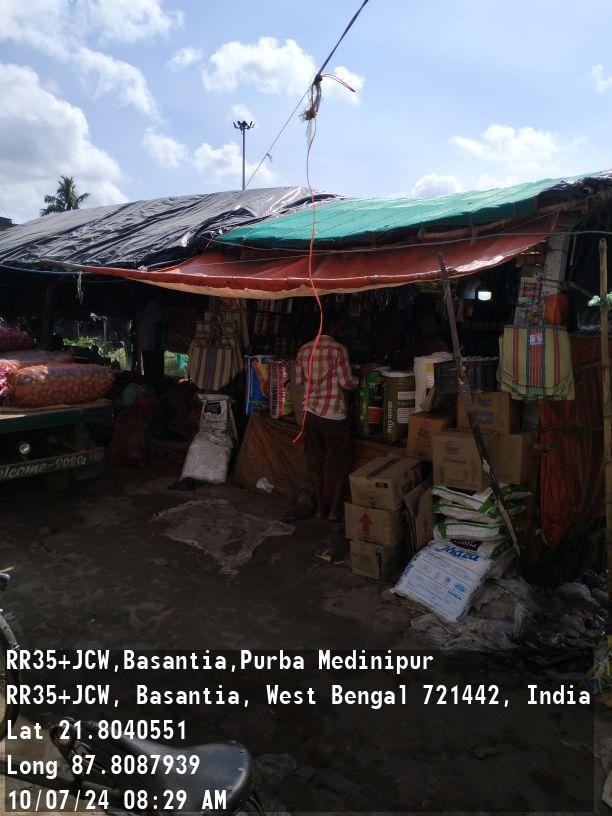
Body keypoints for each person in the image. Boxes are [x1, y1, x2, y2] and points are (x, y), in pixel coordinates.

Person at [295, 314, 358, 523]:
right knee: (340, 463)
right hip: (333, 413)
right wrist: (359, 378)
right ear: (333, 326)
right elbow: (347, 383)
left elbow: (299, 381)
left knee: (315, 461)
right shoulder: (339, 349)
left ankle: (320, 508)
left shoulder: (303, 350)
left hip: (311, 413)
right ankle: (334, 511)